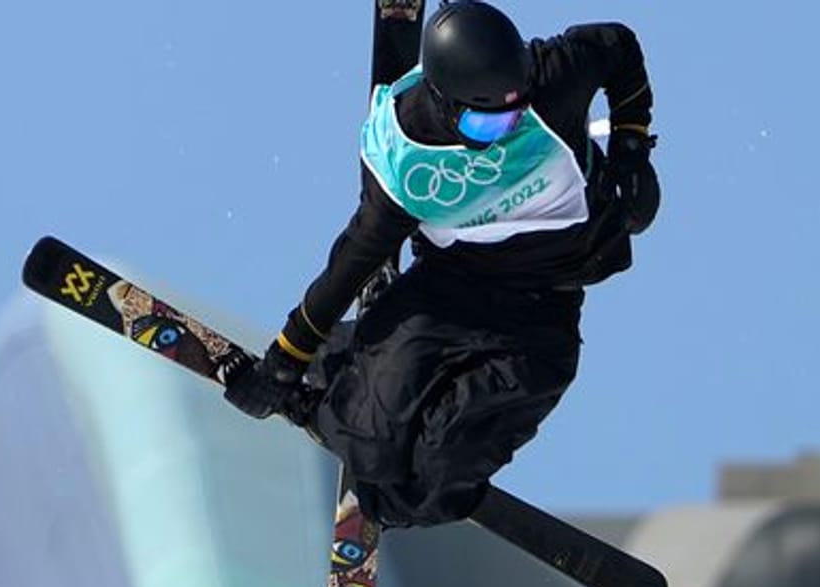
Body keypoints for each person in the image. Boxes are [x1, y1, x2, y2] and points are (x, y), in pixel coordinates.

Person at [224, 0, 659, 528]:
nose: (506, 128)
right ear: (445, 102)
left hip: (542, 312)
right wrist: (282, 362)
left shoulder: (553, 76)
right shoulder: (405, 161)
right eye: (484, 119)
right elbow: (349, 264)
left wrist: (633, 148)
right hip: (449, 291)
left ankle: (390, 474)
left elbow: (619, 47)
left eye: (516, 111)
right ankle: (335, 382)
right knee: (374, 446)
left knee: (432, 471)